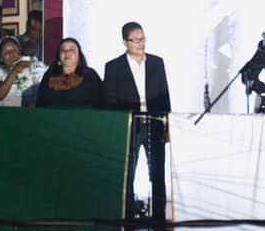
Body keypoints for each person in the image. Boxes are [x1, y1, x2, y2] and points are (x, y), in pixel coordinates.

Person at [102, 22, 171, 226]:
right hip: (128, 125)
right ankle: (127, 219)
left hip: (154, 122)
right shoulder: (113, 67)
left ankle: (159, 220)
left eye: (143, 39)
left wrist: (167, 124)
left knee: (158, 174)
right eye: (136, 40)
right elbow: (109, 101)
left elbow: (165, 96)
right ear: (125, 42)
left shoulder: (157, 63)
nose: (141, 43)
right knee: (127, 175)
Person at [33, 37, 101, 109]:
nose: (67, 52)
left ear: (79, 55)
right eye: (63, 50)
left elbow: (99, 104)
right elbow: (40, 102)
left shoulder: (90, 74)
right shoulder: (50, 74)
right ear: (59, 56)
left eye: (72, 50)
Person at [0, 34, 46, 108]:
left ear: (19, 51)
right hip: (10, 112)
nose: (12, 54)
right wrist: (14, 71)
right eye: (7, 52)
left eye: (14, 50)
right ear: (0, 58)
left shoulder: (29, 62)